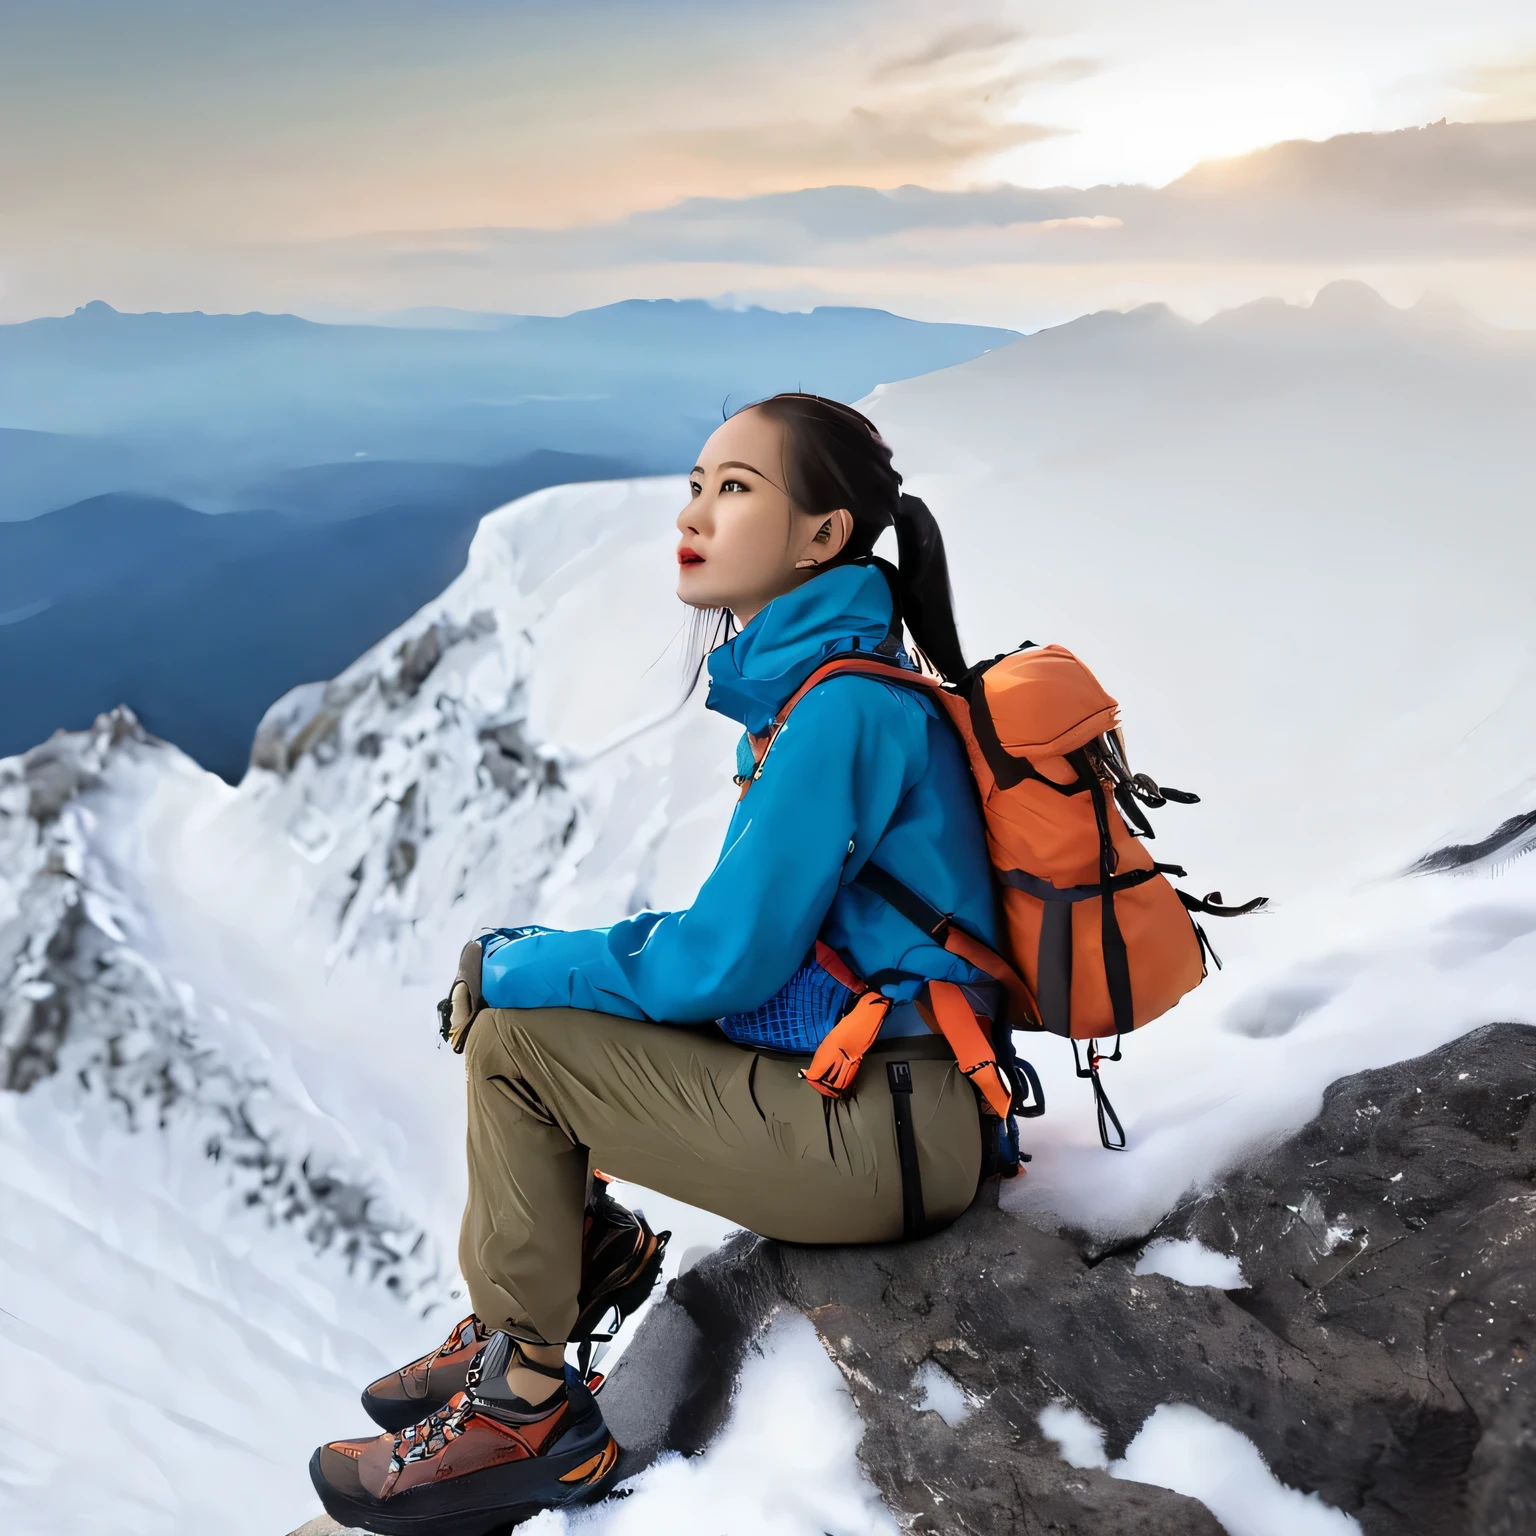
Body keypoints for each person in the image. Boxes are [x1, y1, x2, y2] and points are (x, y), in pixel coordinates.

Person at [310, 393, 1015, 1536]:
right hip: (897, 1108)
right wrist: (549, 961)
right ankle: (558, 1274)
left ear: (823, 537)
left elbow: (718, 968)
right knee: (556, 1006)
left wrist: (512, 965)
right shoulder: (829, 692)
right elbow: (757, 962)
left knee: (518, 1044)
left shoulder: (838, 714)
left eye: (737, 489)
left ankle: (530, 1403)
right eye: (697, 483)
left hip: (885, 1138)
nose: (693, 512)